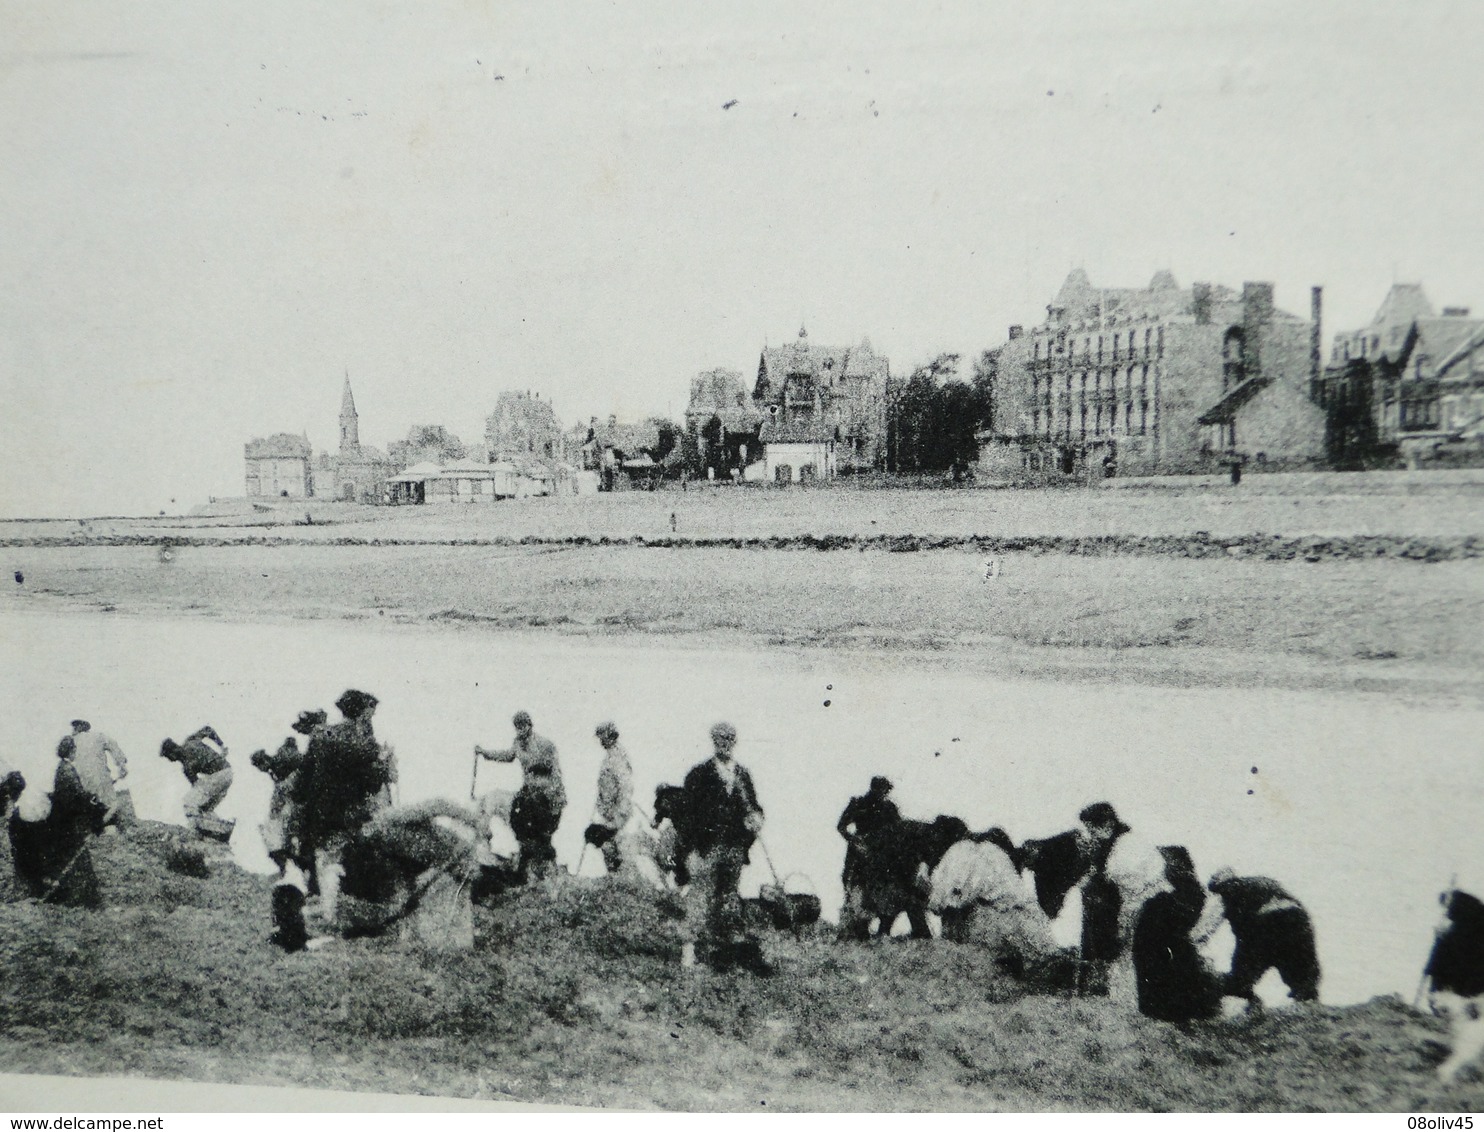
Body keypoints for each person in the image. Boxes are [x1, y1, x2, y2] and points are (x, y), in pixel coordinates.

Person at [290, 691, 390, 917]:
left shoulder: (322, 735)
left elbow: (304, 775)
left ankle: (325, 907)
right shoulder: (364, 744)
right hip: (348, 810)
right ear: (361, 711)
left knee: (324, 856)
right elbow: (372, 783)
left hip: (318, 809)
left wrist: (299, 801)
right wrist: (385, 768)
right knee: (342, 858)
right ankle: (334, 911)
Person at [678, 722, 766, 971]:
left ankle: (722, 956)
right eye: (719, 738)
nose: (724, 743)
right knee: (700, 898)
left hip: (734, 849)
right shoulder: (699, 774)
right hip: (706, 848)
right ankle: (689, 954)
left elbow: (755, 806)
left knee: (727, 901)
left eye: (729, 739)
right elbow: (686, 818)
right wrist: (690, 851)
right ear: (713, 741)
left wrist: (756, 819)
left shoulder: (743, 775)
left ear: (734, 742)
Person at [1077, 801, 1168, 1001]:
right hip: (1150, 901)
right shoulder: (1122, 843)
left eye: (1093, 830)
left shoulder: (1124, 853)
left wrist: (1123, 924)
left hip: (1147, 904)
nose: (1091, 836)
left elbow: (1133, 895)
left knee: (1131, 954)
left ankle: (1126, 1000)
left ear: (1107, 825)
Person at [10, 737, 108, 906]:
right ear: (70, 751)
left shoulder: (63, 768)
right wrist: (91, 802)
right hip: (69, 821)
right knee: (71, 857)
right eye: (74, 749)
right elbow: (73, 796)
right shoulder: (67, 770)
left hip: (63, 818)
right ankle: (75, 898)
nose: (76, 752)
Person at [1130, 846, 1223, 1022]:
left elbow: (1179, 921)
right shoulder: (1185, 890)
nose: (1166, 869)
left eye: (1169, 864)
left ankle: (1174, 1014)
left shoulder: (1179, 892)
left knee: (1165, 978)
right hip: (1162, 944)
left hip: (1162, 944)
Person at [1204, 867, 1321, 1005]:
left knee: (1241, 978)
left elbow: (1208, 927)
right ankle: (1307, 1000)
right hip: (1297, 919)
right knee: (1302, 975)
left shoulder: (1226, 894)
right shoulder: (1265, 882)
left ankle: (1242, 999)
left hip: (1264, 924)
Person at [476, 711, 567, 883]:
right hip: (529, 792)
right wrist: (485, 753)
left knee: (540, 834)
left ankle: (545, 870)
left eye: (523, 726)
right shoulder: (518, 743)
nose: (520, 730)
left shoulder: (544, 745)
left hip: (547, 794)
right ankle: (525, 868)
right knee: (520, 823)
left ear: (530, 726)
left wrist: (553, 797)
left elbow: (555, 772)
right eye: (517, 727)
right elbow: (508, 756)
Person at [159, 725, 233, 837]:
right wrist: (221, 745)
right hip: (227, 773)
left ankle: (195, 831)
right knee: (205, 807)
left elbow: (197, 786)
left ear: (172, 753)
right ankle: (219, 830)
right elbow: (208, 729)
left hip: (218, 775)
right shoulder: (191, 740)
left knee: (189, 802)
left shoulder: (187, 767)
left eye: (168, 757)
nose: (170, 760)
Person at [585, 721, 633, 875]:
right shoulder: (611, 756)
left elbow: (625, 786)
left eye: (602, 737)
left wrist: (620, 811)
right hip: (609, 810)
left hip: (617, 809)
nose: (600, 741)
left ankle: (618, 874)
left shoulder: (617, 757)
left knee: (612, 842)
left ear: (610, 736)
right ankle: (614, 873)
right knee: (606, 841)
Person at [67, 720, 133, 831]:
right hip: (102, 779)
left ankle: (96, 828)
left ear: (78, 728)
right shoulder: (98, 736)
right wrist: (121, 765)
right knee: (110, 806)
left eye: (74, 728)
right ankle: (106, 827)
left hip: (83, 784)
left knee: (90, 809)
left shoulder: (72, 741)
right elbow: (113, 744)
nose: (73, 730)